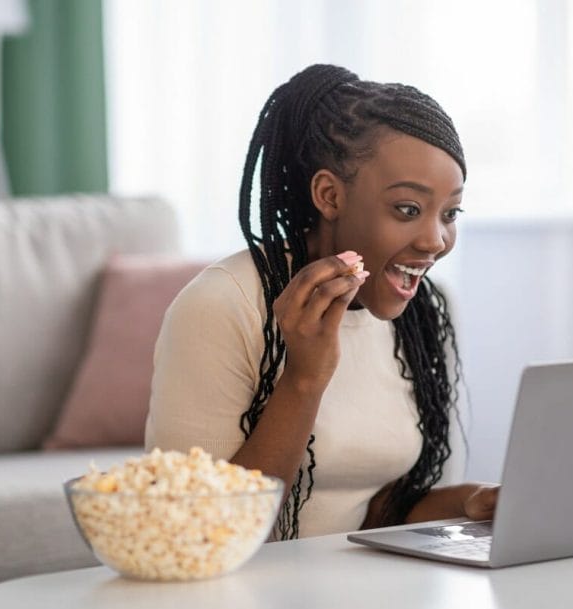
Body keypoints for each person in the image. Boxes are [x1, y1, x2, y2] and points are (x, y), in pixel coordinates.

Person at [145, 64, 498, 540]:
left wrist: (471, 501)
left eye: (450, 213)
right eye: (408, 210)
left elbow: (373, 514)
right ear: (329, 195)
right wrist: (305, 378)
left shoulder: (425, 311)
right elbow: (199, 532)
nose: (436, 240)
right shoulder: (222, 305)